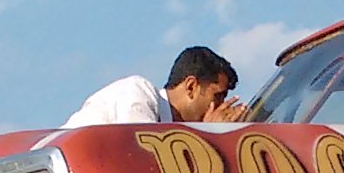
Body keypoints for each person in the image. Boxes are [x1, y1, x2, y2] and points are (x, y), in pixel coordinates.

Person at [65, 44, 246, 128]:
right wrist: (211, 133)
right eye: (218, 97)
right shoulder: (138, 91)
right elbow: (144, 156)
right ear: (191, 87)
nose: (223, 107)